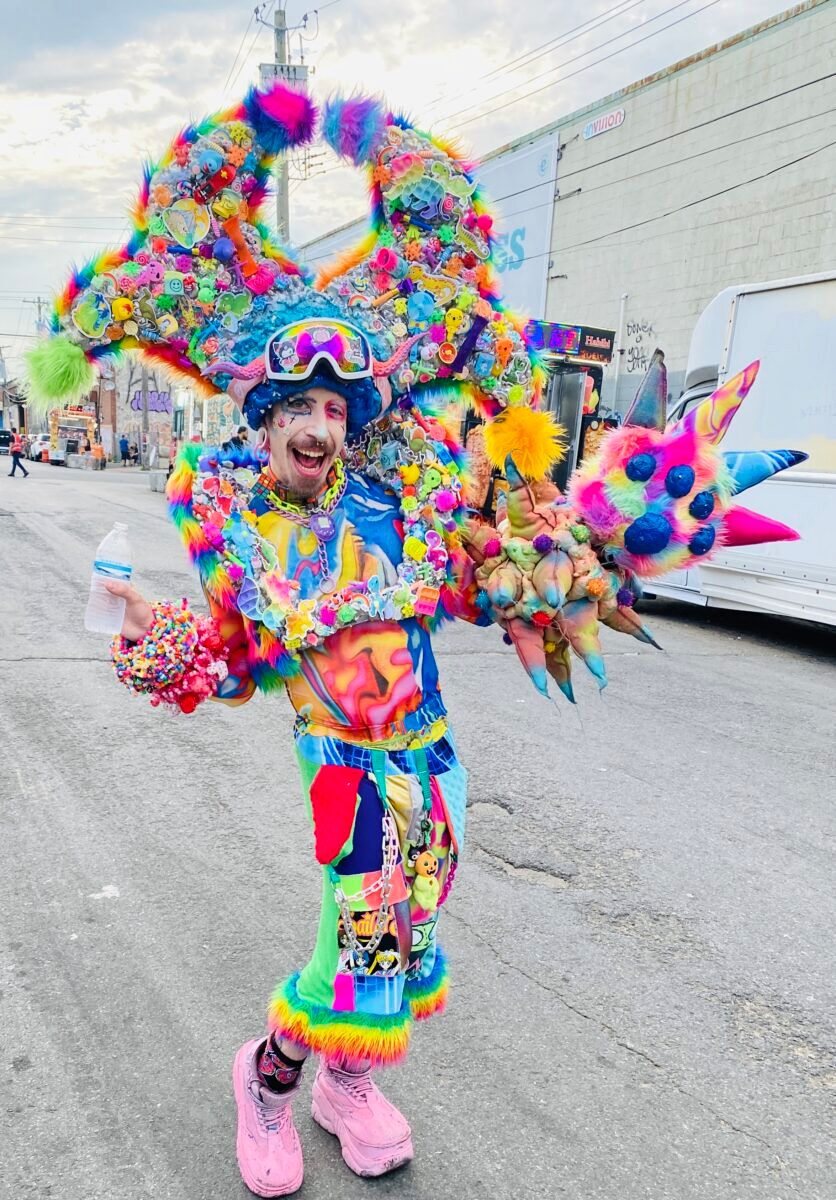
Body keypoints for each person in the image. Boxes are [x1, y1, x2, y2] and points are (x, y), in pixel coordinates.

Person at [25, 83, 801, 1198]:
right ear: (261, 414)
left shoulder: (405, 498)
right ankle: (275, 1076)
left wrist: (600, 529)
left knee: (415, 914)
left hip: (430, 749)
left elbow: (500, 580)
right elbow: (234, 655)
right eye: (296, 401)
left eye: (338, 405)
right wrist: (156, 637)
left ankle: (347, 1079)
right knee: (366, 927)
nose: (317, 421)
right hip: (341, 759)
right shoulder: (242, 520)